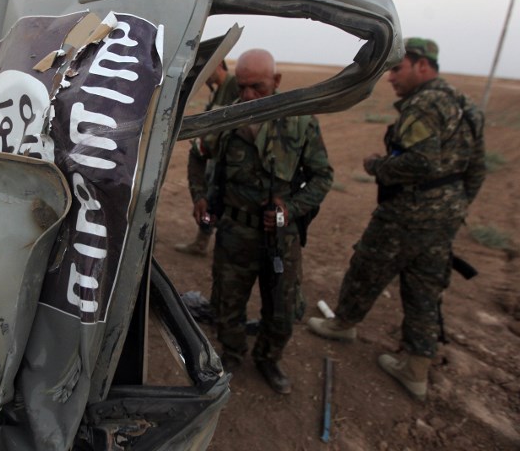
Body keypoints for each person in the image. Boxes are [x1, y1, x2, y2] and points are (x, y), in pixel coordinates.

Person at [307, 38, 486, 401]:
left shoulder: (424, 104)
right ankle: (416, 369)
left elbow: (420, 162)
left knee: (368, 265)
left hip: (407, 214)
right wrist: (454, 205)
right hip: (446, 216)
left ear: (422, 65)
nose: (390, 77)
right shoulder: (465, 105)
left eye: (397, 68)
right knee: (425, 287)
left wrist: (378, 166)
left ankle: (343, 324)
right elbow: (477, 169)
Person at [187, 49, 333, 394]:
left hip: (280, 237)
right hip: (234, 232)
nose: (249, 96)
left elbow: (322, 177)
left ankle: (269, 359)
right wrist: (200, 196)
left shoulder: (300, 122)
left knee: (281, 308)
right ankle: (233, 355)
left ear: (277, 82)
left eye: (258, 87)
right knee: (227, 302)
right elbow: (197, 156)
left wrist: (291, 208)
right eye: (243, 87)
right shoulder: (226, 119)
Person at [175, 60, 240, 256]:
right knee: (208, 200)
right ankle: (202, 240)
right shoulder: (217, 91)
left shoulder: (234, 86)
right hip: (212, 155)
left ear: (218, 65)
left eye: (208, 71)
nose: (206, 76)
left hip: (227, 156)